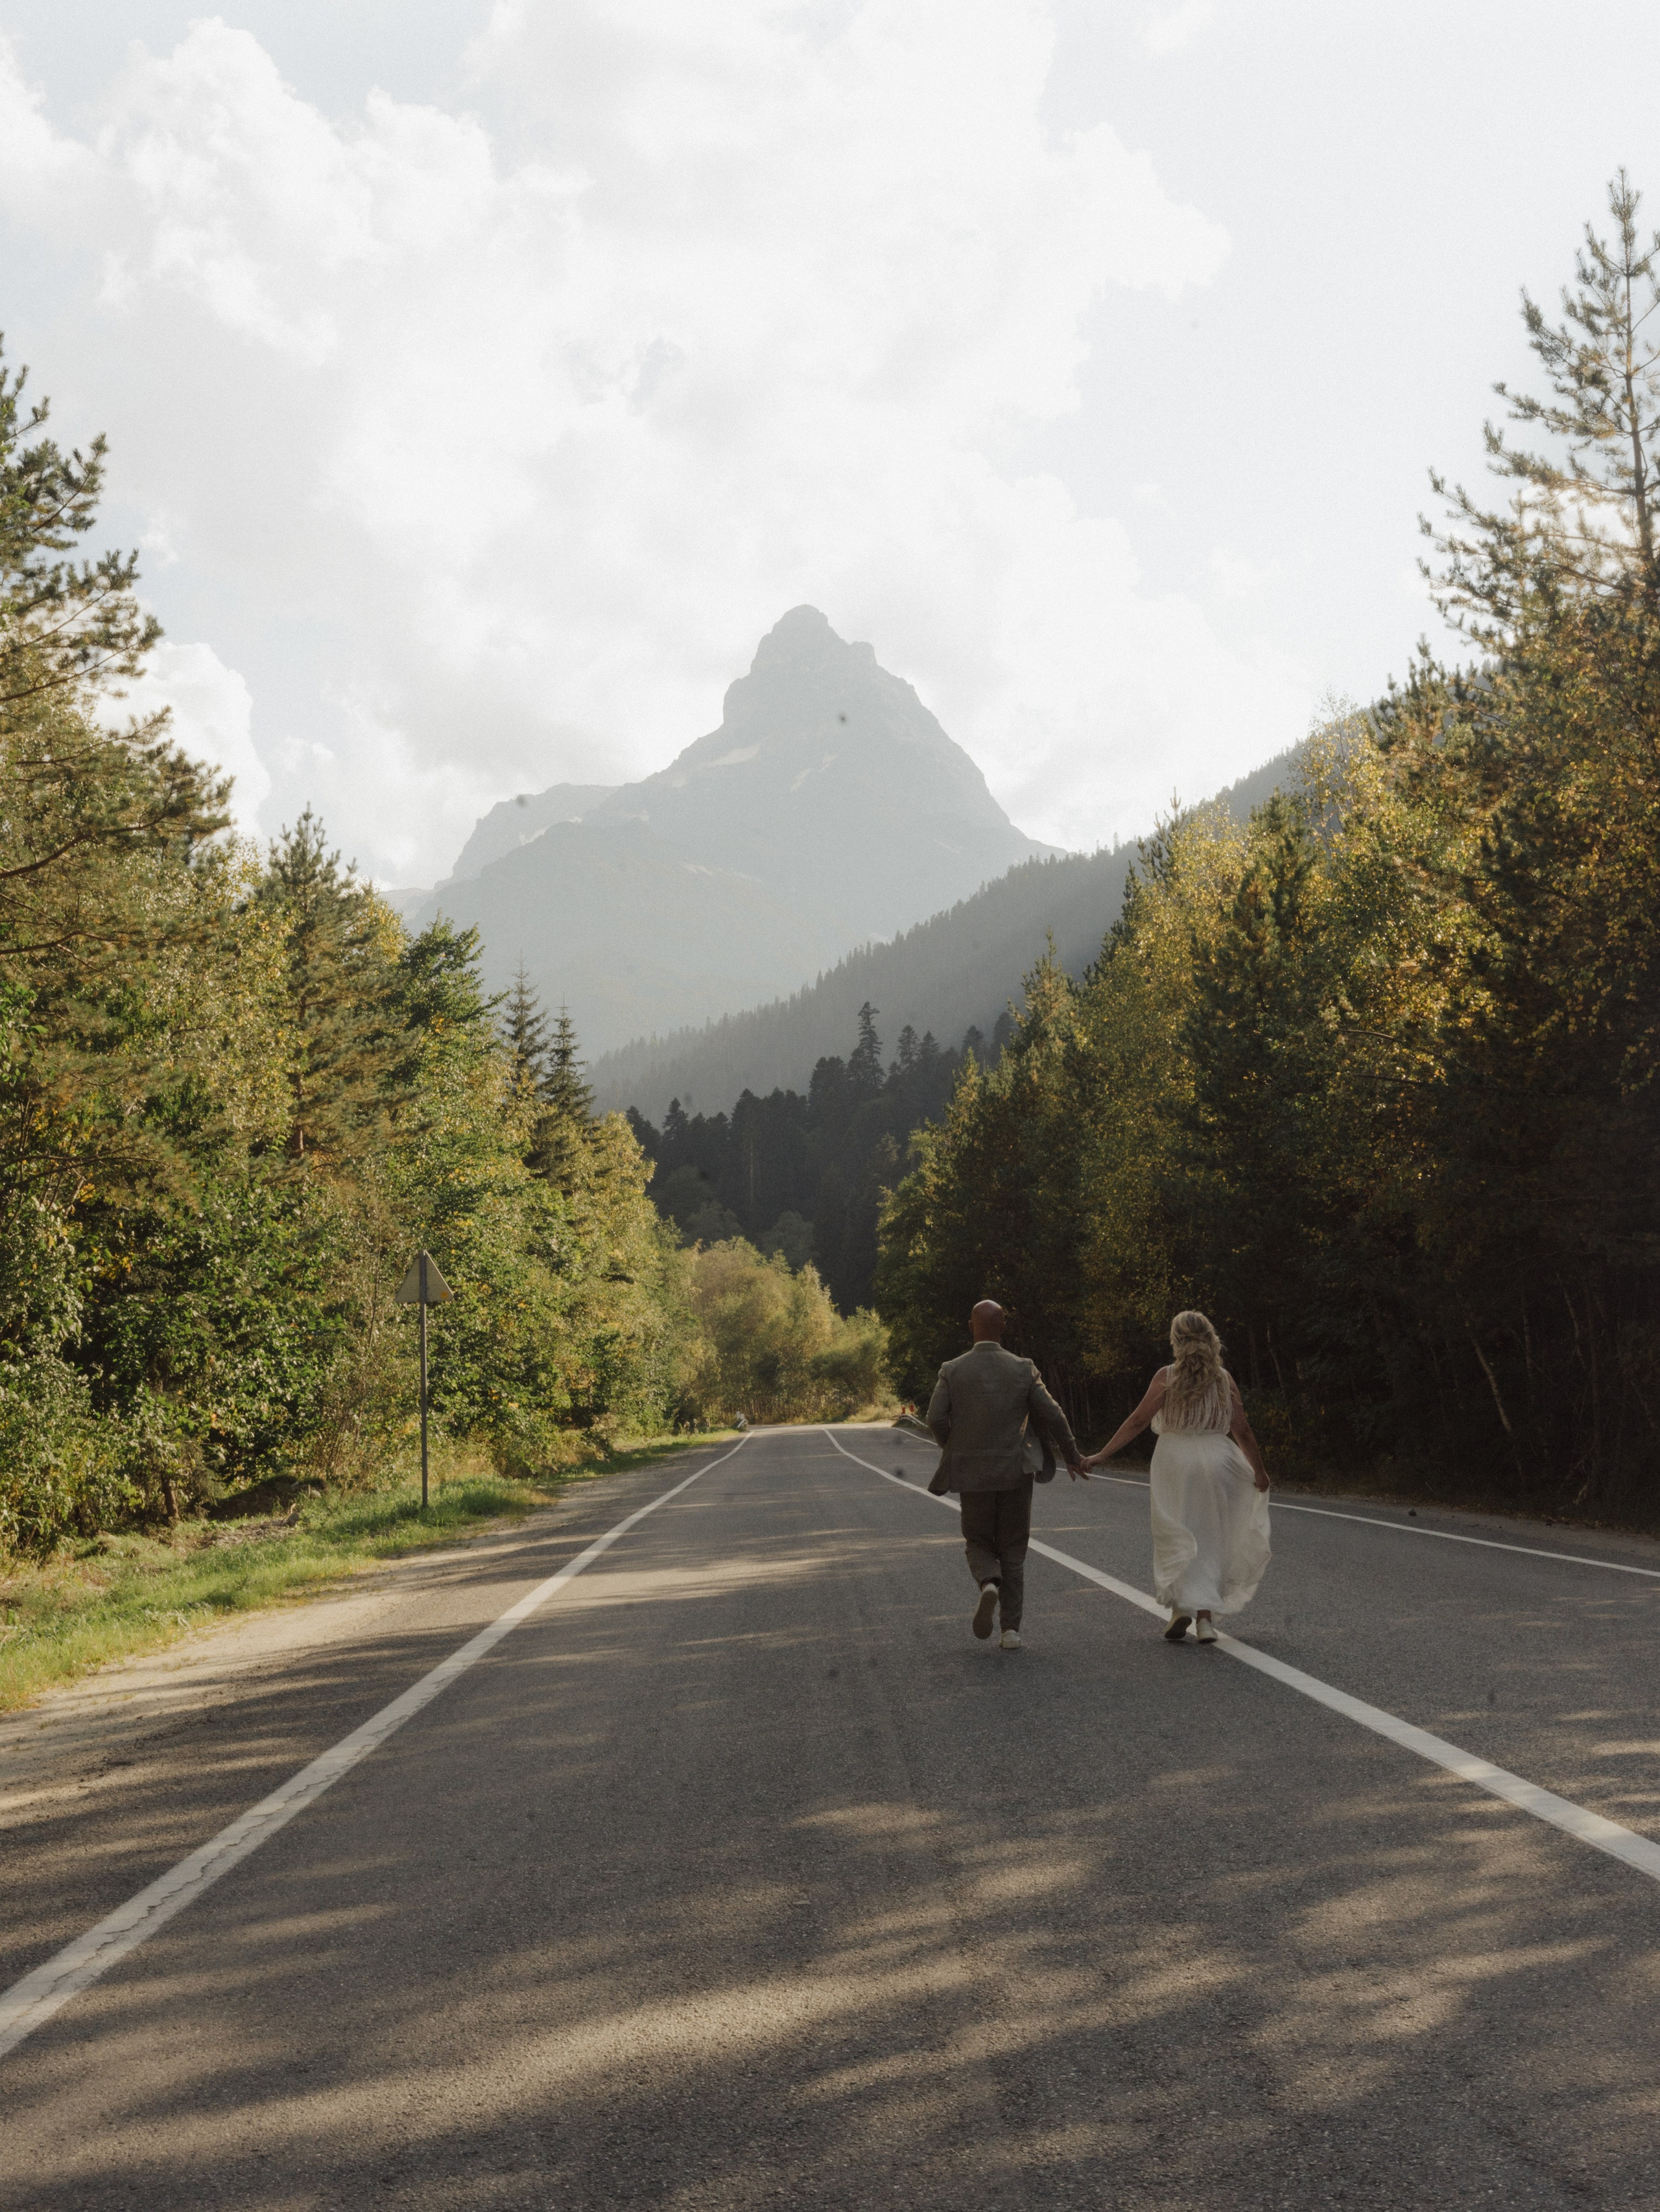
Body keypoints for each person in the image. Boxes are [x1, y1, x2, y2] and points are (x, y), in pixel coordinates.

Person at [1082, 1309, 1270, 1643]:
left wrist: (1100, 1455)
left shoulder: (1166, 1376)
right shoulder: (1224, 1379)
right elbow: (1241, 1429)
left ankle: (1181, 1609)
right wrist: (1260, 1471)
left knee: (1177, 1532)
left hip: (1174, 1461)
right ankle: (1204, 1621)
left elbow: (1138, 1421)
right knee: (1212, 1537)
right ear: (1211, 1338)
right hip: (1219, 1461)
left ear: (1176, 1341)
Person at [925, 1300, 1084, 1650]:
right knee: (1013, 1549)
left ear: (971, 1327)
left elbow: (935, 1418)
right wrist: (1072, 1455)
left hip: (972, 1474)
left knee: (978, 1541)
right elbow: (1054, 1414)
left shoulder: (953, 1370)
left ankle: (988, 1583)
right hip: (1016, 1472)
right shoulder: (1023, 1368)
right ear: (1004, 1327)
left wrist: (953, 1447)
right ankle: (1010, 1631)